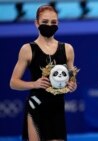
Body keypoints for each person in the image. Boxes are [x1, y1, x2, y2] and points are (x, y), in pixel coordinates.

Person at [9, 5, 77, 141]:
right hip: (36, 106)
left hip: (57, 107)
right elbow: (13, 83)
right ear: (36, 23)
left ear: (58, 23)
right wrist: (34, 84)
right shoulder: (28, 49)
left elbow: (72, 81)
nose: (49, 25)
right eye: (45, 22)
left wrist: (72, 86)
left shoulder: (67, 49)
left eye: (53, 22)